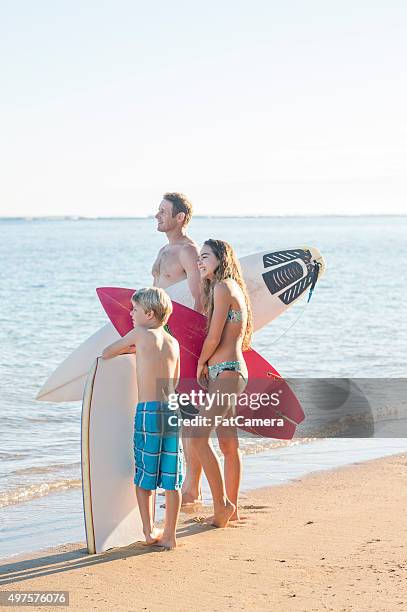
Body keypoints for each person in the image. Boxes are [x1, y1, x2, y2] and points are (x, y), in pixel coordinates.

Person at [102, 287, 183, 549]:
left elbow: (107, 352)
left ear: (148, 313)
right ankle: (170, 535)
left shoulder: (139, 334)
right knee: (172, 477)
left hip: (148, 411)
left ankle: (149, 531)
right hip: (172, 410)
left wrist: (132, 351)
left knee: (144, 475)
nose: (131, 313)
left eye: (134, 309)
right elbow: (177, 379)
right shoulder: (173, 342)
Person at [190, 239, 253, 527]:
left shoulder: (222, 287)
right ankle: (232, 508)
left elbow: (214, 338)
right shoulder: (231, 287)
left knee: (197, 436)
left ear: (221, 258)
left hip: (225, 372)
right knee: (228, 445)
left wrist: (201, 363)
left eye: (205, 257)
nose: (200, 262)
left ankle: (222, 506)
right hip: (229, 372)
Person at [152, 192, 204, 504]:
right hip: (161, 339)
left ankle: (192, 488)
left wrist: (194, 345)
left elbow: (198, 298)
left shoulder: (189, 251)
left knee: (188, 417)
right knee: (171, 415)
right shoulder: (163, 249)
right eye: (157, 210)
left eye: (163, 211)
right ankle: (180, 483)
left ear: (180, 217)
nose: (157, 216)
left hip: (181, 341)